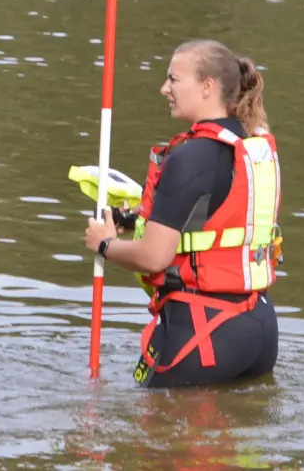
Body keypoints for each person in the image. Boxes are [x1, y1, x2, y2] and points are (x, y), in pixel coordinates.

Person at [84, 39, 282, 388]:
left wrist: (105, 244)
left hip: (204, 331)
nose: (164, 89)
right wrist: (134, 221)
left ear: (207, 86)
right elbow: (218, 222)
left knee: (161, 439)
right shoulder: (254, 149)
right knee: (240, 438)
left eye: (173, 79)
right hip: (260, 328)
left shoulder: (190, 157)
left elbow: (155, 257)